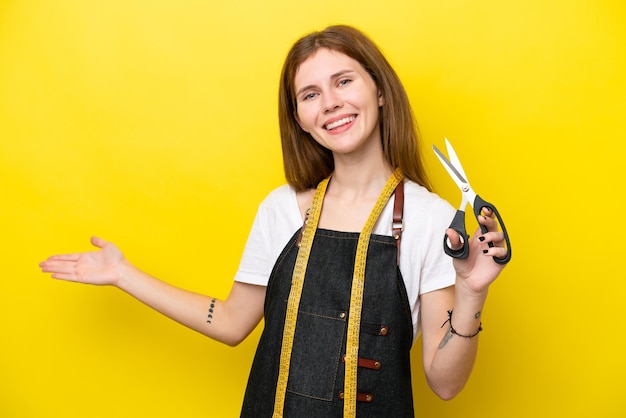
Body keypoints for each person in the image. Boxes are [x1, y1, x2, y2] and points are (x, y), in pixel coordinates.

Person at [39, 25, 509, 417]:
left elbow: (444, 384)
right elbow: (230, 322)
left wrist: (472, 292)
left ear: (380, 91)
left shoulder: (431, 219)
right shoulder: (281, 208)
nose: (329, 102)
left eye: (344, 81)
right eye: (310, 94)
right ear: (300, 119)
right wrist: (124, 274)